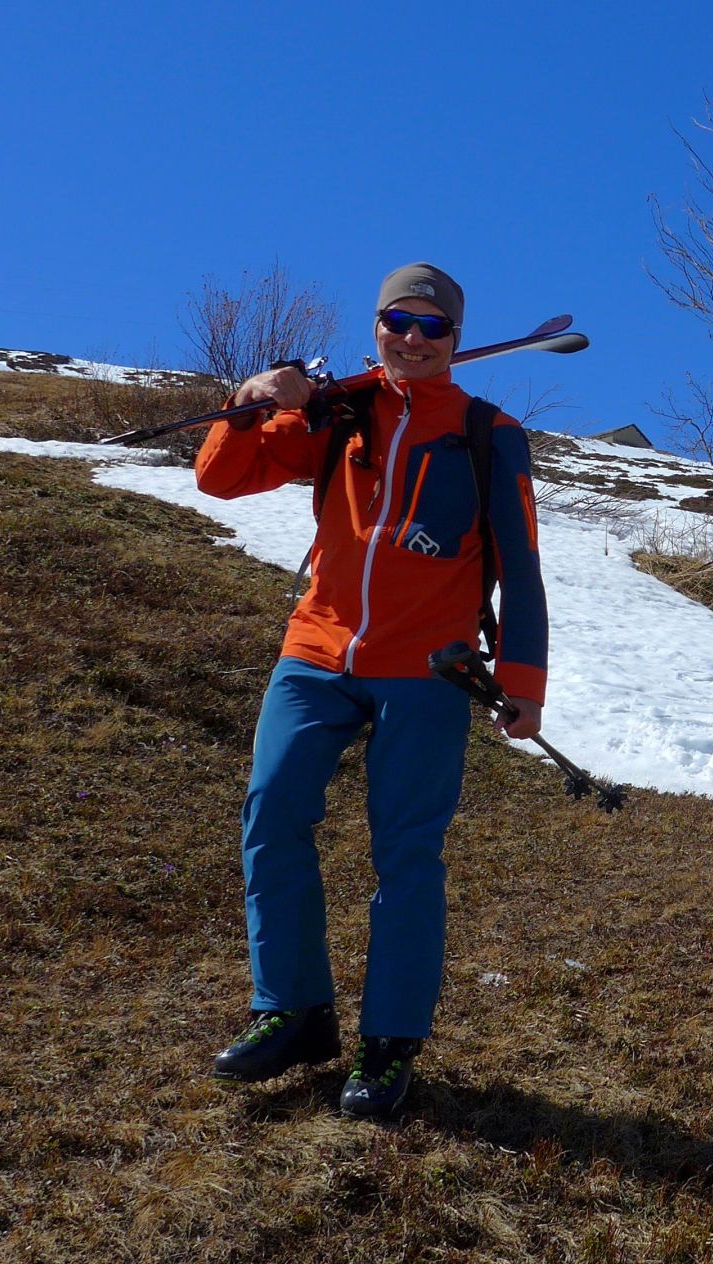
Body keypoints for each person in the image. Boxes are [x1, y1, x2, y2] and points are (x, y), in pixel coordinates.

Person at [193, 263, 549, 1120]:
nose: (413, 339)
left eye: (432, 326)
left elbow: (522, 569)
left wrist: (522, 682)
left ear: (455, 338)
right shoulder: (338, 411)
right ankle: (293, 1011)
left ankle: (390, 1042)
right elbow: (222, 477)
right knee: (272, 811)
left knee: (407, 852)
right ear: (378, 325)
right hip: (316, 651)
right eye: (399, 321)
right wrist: (251, 400)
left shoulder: (489, 434)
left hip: (426, 670)